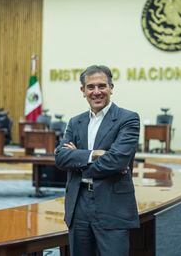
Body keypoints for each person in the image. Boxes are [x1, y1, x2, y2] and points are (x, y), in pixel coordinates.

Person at [55, 65, 140, 255]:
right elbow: (60, 158)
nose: (96, 92)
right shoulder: (75, 122)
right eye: (90, 87)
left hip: (112, 204)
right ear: (82, 90)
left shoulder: (128, 119)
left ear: (111, 87)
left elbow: (117, 161)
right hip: (79, 204)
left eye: (102, 86)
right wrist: (94, 154)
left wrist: (77, 160)